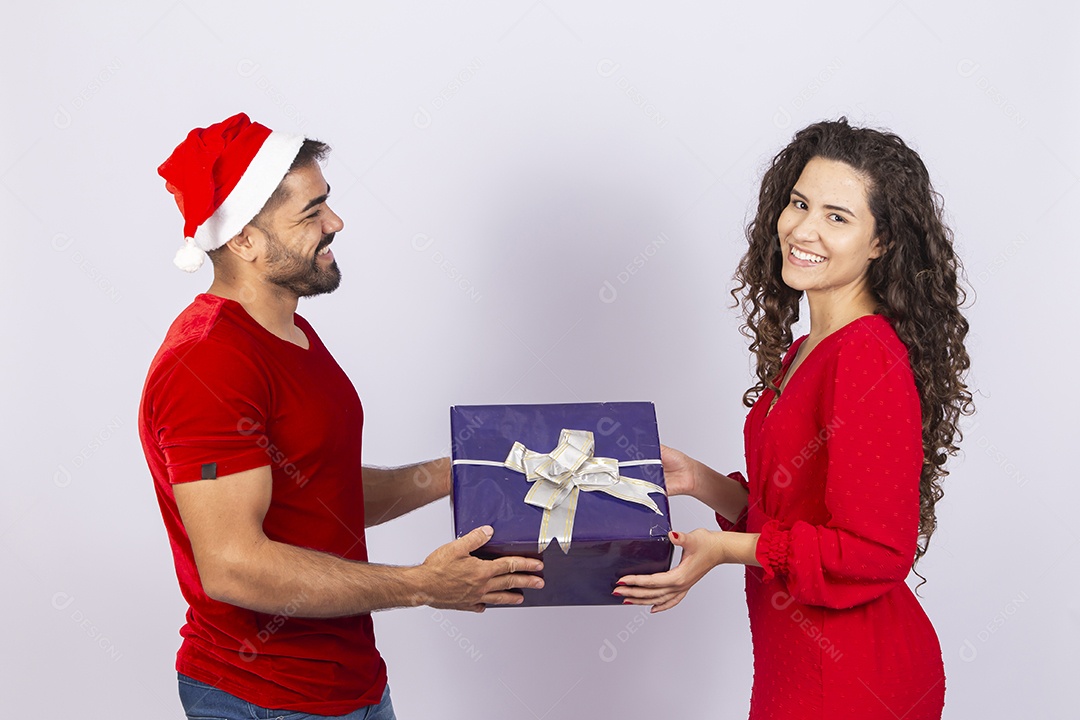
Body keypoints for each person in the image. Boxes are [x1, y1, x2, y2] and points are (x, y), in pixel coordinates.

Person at [139, 113, 544, 720]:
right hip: (263, 697)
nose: (336, 222)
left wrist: (460, 469)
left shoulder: (289, 332)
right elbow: (231, 565)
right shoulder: (209, 364)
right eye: (311, 213)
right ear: (244, 240)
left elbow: (317, 490)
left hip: (346, 684)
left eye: (327, 203)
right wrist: (421, 585)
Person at [615, 118, 973, 719]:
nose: (803, 229)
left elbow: (874, 551)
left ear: (881, 242)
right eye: (799, 203)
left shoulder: (863, 357)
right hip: (798, 664)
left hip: (853, 679)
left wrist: (725, 550)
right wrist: (700, 480)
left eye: (838, 216)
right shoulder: (808, 348)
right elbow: (794, 516)